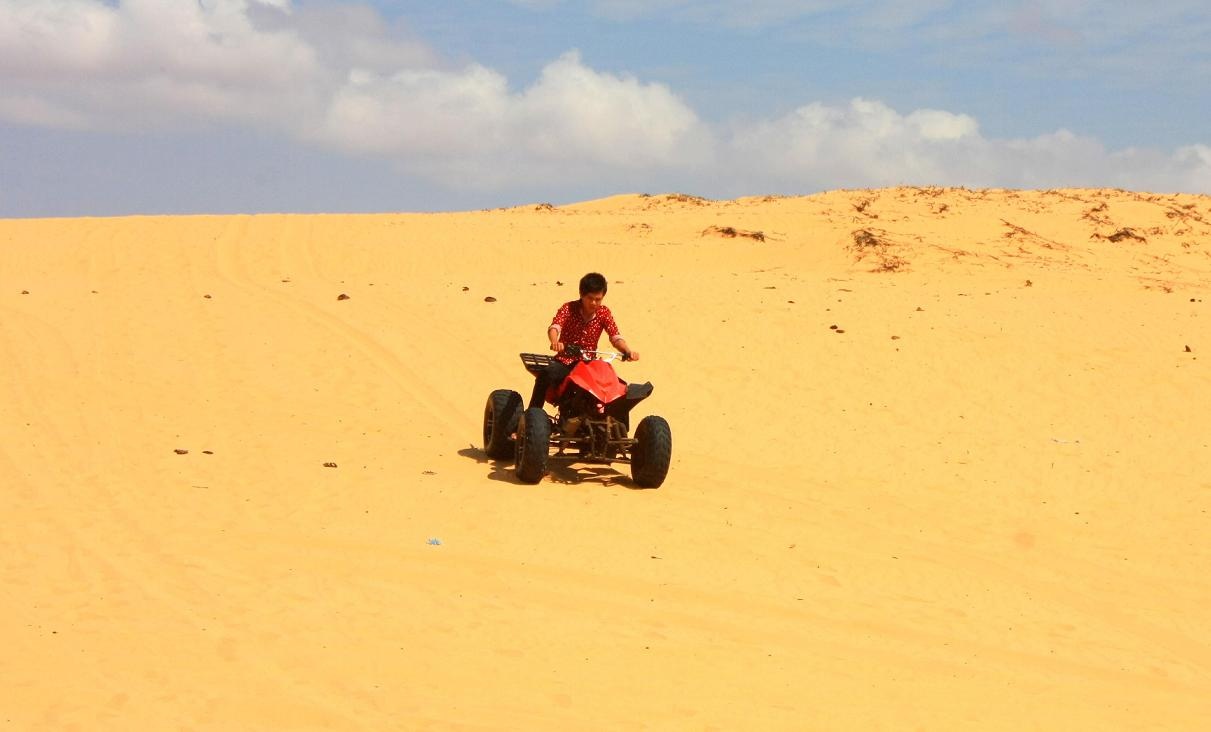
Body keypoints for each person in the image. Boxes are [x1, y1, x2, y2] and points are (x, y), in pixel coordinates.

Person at [528, 272, 640, 410]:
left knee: (616, 387)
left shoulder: (604, 313)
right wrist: (555, 342)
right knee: (545, 375)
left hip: (589, 364)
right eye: (590, 298)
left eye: (598, 299)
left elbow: (615, 336)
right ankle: (531, 415)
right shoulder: (568, 308)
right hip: (566, 361)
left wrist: (627, 351)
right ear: (581, 294)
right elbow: (555, 327)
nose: (594, 303)